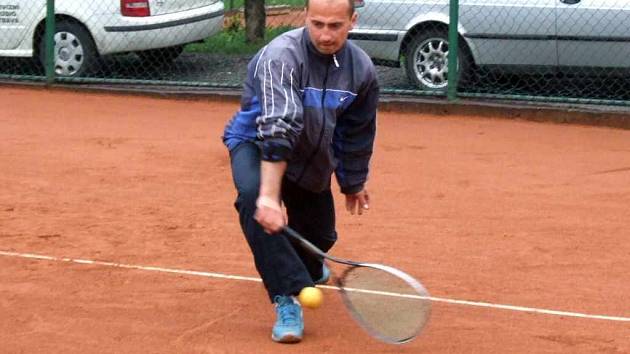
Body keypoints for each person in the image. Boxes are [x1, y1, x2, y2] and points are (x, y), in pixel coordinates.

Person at [222, 0, 379, 343]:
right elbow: (280, 127)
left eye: (335, 26)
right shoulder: (281, 56)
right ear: (305, 17)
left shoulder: (361, 69)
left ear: (353, 21)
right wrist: (267, 196)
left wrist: (353, 180)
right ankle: (285, 298)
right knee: (254, 202)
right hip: (257, 142)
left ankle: (307, 269)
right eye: (317, 24)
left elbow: (356, 131)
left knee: (319, 238)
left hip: (311, 153)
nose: (325, 35)